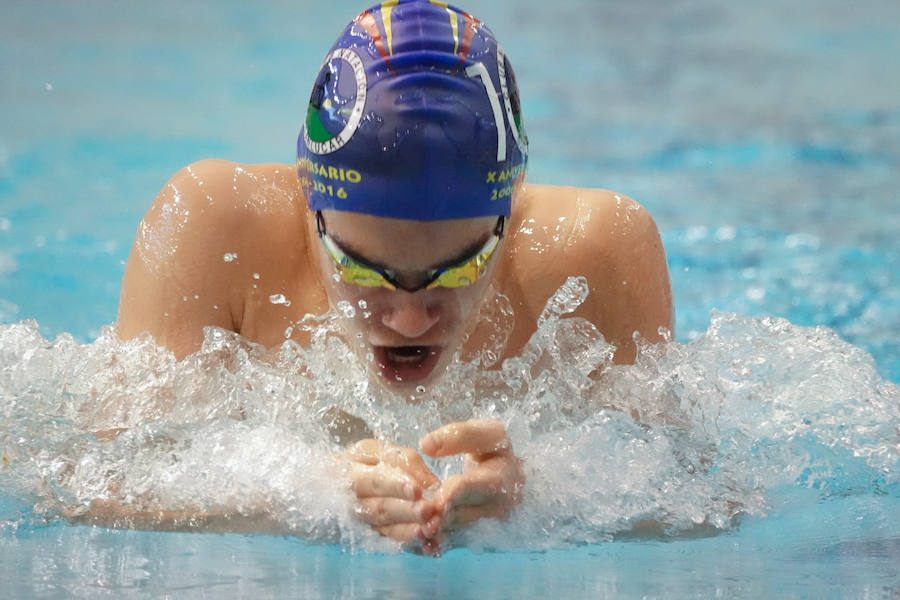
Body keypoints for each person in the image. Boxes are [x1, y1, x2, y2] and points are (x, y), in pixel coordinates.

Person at [113, 0, 673, 554]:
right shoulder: (215, 231)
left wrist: (540, 496)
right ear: (311, 201)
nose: (409, 319)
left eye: (463, 266)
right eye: (361, 267)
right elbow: (92, 479)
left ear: (509, 212)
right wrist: (310, 490)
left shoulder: (598, 252)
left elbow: (703, 497)